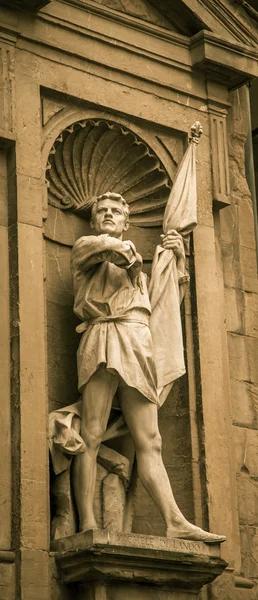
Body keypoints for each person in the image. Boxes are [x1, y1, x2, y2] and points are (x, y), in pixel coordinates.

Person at [70, 191, 225, 542]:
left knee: (151, 440)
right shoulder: (86, 248)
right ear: (94, 221)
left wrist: (176, 260)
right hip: (102, 333)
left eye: (116, 211)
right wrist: (136, 257)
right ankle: (88, 523)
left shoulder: (138, 271)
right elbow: (110, 251)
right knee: (91, 433)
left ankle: (174, 521)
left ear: (127, 221)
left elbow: (164, 309)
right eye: (102, 211)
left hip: (138, 340)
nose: (108, 215)